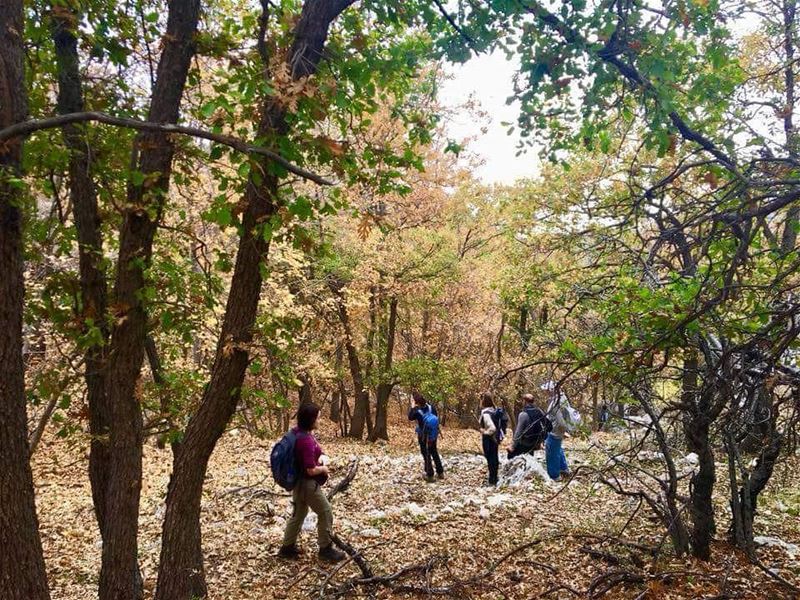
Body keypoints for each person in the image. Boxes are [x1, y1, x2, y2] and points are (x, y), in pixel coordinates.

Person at [278, 403, 346, 562]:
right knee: (325, 511)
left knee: (299, 513)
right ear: (311, 419)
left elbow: (313, 452)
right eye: (318, 417)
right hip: (307, 484)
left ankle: (286, 548)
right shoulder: (306, 440)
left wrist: (321, 455)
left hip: (297, 483)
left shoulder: (298, 433)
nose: (320, 420)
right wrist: (323, 469)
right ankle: (326, 549)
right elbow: (310, 470)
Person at [408, 391, 444, 482]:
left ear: (416, 402)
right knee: (434, 451)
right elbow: (435, 417)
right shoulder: (431, 407)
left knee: (426, 453)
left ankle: (430, 475)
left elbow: (410, 417)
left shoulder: (416, 411)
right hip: (433, 434)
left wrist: (412, 407)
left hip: (423, 435)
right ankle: (440, 472)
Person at [507, 393, 550, 459]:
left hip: (526, 442)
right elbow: (547, 425)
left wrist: (513, 446)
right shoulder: (539, 411)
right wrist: (541, 440)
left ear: (525, 401)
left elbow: (518, 432)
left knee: (510, 456)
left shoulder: (523, 414)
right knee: (529, 457)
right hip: (536, 441)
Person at [544, 388, 572, 480]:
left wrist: (563, 430)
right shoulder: (562, 399)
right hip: (557, 431)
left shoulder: (556, 403)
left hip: (554, 432)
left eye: (547, 390)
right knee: (558, 450)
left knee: (552, 453)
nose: (545, 392)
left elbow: (560, 421)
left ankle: (554, 475)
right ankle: (563, 468)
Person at [478, 392, 500, 486]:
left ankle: (492, 480)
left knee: (490, 458)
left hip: (489, 438)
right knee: (494, 457)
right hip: (495, 439)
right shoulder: (494, 410)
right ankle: (494, 478)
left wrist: (484, 432)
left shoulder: (486, 413)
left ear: (483, 401)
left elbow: (492, 428)